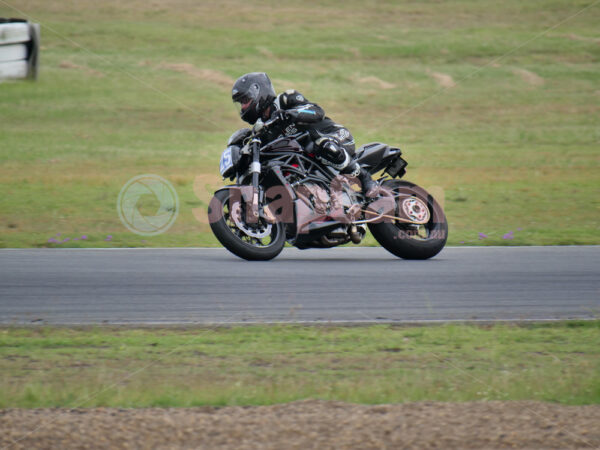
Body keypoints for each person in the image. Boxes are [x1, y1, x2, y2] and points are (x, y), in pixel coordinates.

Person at [231, 72, 378, 195]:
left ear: (259, 91)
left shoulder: (285, 99)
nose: (243, 107)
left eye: (245, 100)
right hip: (311, 163)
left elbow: (317, 112)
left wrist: (291, 114)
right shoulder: (263, 130)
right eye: (240, 103)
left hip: (336, 137)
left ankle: (365, 178)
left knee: (321, 145)